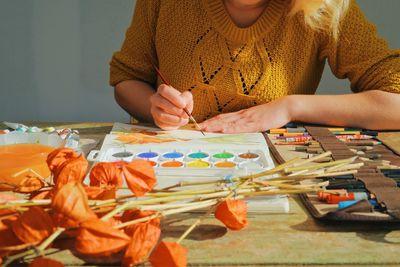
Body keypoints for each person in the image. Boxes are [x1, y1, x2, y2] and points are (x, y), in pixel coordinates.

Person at [110, 0, 400, 133]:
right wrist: (153, 105)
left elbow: (395, 105)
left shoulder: (325, 7)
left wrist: (290, 107)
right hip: (170, 169)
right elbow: (127, 79)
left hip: (270, 181)